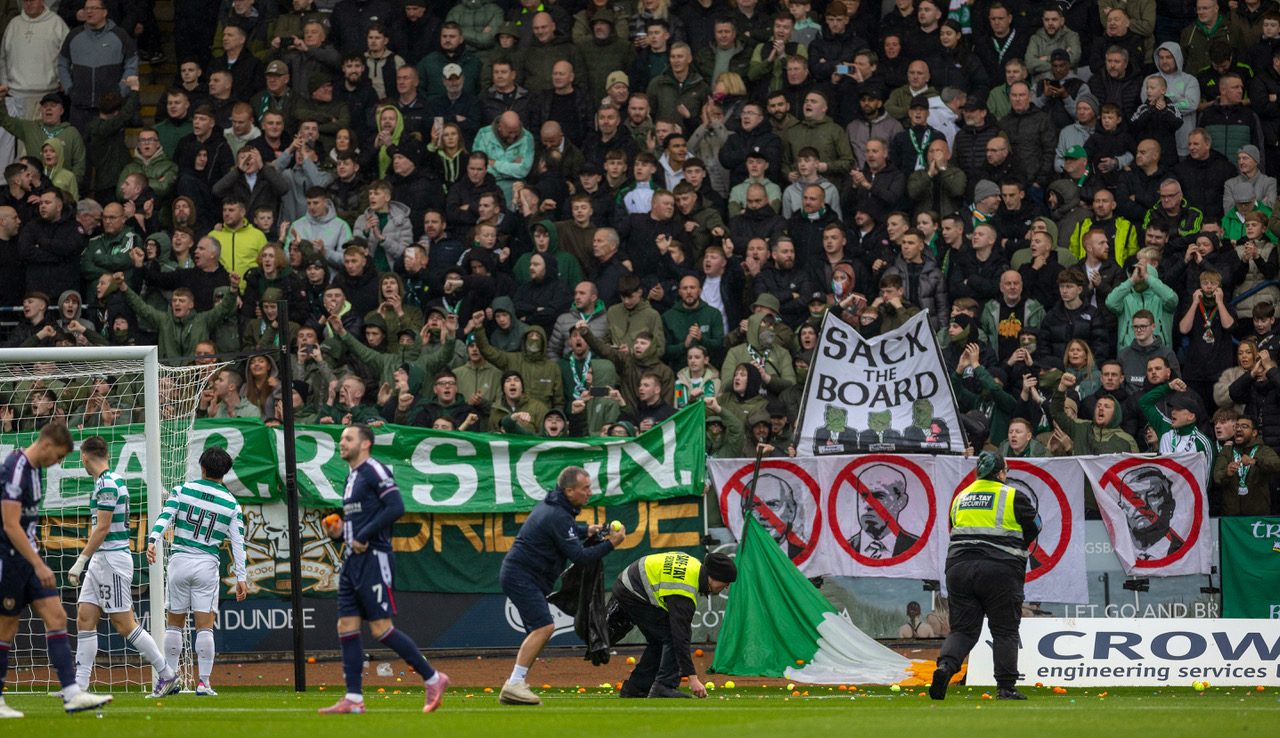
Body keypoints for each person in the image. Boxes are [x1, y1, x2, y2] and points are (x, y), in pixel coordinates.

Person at [318, 425, 450, 714]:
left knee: (381, 628)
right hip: (353, 560)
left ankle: (433, 677)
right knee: (346, 625)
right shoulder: (351, 476)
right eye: (341, 439)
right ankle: (354, 699)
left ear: (365, 444)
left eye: (348, 439)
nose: (342, 443)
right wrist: (340, 531)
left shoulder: (374, 470)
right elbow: (364, 518)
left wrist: (364, 535)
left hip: (374, 558)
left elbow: (396, 507)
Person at [0, 423, 114, 717]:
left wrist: (35, 558)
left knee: (57, 616)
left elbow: (26, 525)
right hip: (9, 559)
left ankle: (73, 694)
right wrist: (38, 563)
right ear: (47, 445)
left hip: (28, 558)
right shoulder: (15, 467)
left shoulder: (37, 470)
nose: (59, 462)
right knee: (7, 627)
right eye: (59, 456)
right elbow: (11, 524)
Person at [498, 466, 625, 705]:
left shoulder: (555, 507)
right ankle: (514, 683)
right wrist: (612, 544)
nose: (590, 492)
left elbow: (565, 531)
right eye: (584, 488)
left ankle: (517, 683)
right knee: (544, 628)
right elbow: (580, 557)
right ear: (569, 491)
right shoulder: (558, 514)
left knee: (538, 630)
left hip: (523, 575)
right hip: (521, 577)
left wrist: (587, 529)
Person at [68, 435, 179, 696]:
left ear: (84, 458)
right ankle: (79, 687)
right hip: (102, 560)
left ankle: (167, 675)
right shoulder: (109, 481)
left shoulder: (107, 484)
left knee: (124, 624)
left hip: (111, 560)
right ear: (107, 455)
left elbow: (103, 528)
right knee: (85, 618)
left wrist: (80, 560)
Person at [931, 450, 1041, 702]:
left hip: (958, 567)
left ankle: (944, 668)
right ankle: (1005, 687)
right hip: (1000, 569)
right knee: (1004, 630)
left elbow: (954, 528)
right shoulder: (1013, 495)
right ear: (1001, 473)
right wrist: (1019, 547)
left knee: (962, 630)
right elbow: (1035, 526)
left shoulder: (961, 496)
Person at [146, 446, 246, 697]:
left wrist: (152, 540)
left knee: (174, 625)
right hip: (206, 565)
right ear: (225, 473)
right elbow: (238, 543)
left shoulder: (183, 490)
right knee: (204, 628)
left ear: (201, 467)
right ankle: (204, 683)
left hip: (179, 561)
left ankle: (168, 679)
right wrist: (242, 578)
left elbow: (164, 516)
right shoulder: (232, 504)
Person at [612, 551, 735, 698]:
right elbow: (680, 636)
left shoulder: (695, 567)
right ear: (715, 576)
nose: (726, 587)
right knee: (671, 634)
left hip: (630, 583)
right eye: (726, 582)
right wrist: (693, 678)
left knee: (661, 638)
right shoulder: (683, 589)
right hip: (633, 590)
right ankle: (664, 686)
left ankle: (636, 687)